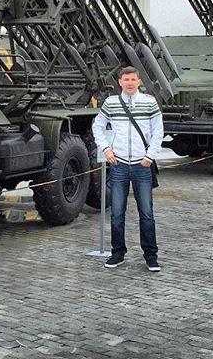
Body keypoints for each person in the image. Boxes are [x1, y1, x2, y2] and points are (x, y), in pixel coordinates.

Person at [92, 66, 164, 272]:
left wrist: (150, 157)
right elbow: (97, 126)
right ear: (120, 82)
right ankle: (117, 254)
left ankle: (151, 256)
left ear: (139, 82)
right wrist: (106, 149)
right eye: (126, 79)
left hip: (142, 166)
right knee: (117, 213)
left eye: (133, 79)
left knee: (147, 214)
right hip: (119, 165)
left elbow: (158, 131)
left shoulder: (149, 102)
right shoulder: (111, 103)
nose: (130, 82)